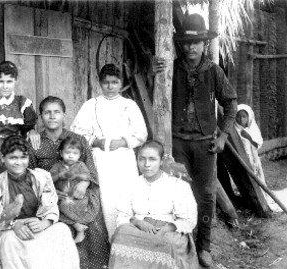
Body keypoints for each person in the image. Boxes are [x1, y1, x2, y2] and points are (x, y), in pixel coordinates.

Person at [152, 14, 237, 267]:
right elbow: (157, 96)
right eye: (187, 43)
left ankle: (204, 248)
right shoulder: (170, 68)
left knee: (206, 195)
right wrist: (155, 72)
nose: (191, 47)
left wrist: (222, 136)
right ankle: (181, 245)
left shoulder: (214, 72)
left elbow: (231, 104)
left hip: (204, 145)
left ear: (203, 44)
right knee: (177, 194)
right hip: (177, 143)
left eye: (197, 43)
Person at [29, 96, 110, 269]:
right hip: (50, 199)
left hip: (79, 194)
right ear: (41, 116)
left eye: (57, 112)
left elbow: (91, 172)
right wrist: (48, 193)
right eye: (47, 112)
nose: (52, 116)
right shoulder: (35, 143)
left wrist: (83, 184)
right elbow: (31, 176)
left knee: (95, 225)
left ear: (64, 115)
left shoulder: (78, 140)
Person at [71, 63, 148, 238]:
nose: (110, 87)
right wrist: (94, 141)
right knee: (105, 198)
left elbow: (142, 134)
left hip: (123, 159)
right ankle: (107, 241)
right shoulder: (92, 105)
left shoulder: (129, 105)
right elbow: (76, 131)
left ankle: (126, 238)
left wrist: (122, 142)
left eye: (114, 82)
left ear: (121, 83)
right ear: (100, 83)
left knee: (125, 197)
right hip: (100, 159)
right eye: (106, 82)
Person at [0, 135, 79, 269]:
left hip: (35, 227)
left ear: (28, 158)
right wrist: (14, 225)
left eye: (23, 157)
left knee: (62, 229)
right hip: (11, 231)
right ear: (3, 159)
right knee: (8, 241)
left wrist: (44, 222)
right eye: (13, 158)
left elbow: (50, 207)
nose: (19, 163)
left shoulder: (40, 177)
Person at [109, 140, 199, 269]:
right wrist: (138, 222)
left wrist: (168, 228)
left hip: (169, 230)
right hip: (138, 229)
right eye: (142, 159)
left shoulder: (178, 185)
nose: (146, 165)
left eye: (152, 159)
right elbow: (123, 215)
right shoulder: (130, 184)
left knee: (168, 242)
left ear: (161, 161)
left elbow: (189, 220)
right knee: (120, 235)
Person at [0, 61, 40, 175]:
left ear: (15, 81)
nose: (5, 86)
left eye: (9, 81)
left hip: (14, 156)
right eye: (1, 81)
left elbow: (27, 128)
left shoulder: (22, 103)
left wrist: (32, 130)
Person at [50, 136, 93, 243]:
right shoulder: (58, 166)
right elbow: (49, 179)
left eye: (75, 153)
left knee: (65, 206)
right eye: (67, 152)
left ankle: (78, 227)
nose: (71, 156)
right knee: (56, 209)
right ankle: (78, 225)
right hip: (62, 196)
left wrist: (76, 175)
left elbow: (87, 177)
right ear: (61, 153)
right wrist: (60, 175)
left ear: (80, 155)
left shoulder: (80, 165)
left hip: (78, 197)